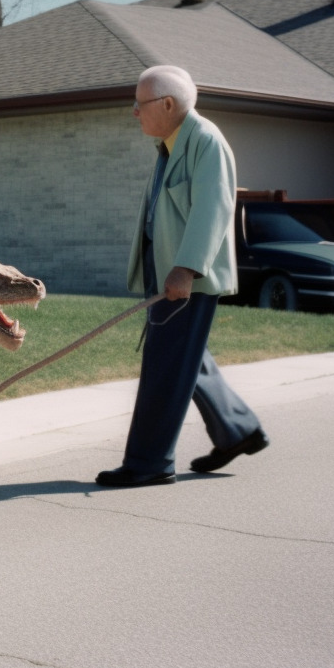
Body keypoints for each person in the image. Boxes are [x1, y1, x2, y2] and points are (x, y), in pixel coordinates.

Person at [96, 65, 268, 487]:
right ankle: (238, 429)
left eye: (140, 103)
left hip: (186, 279)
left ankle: (149, 462)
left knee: (166, 365)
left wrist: (186, 268)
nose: (134, 111)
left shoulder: (206, 142)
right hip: (169, 276)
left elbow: (213, 211)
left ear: (168, 104)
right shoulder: (170, 145)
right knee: (187, 360)